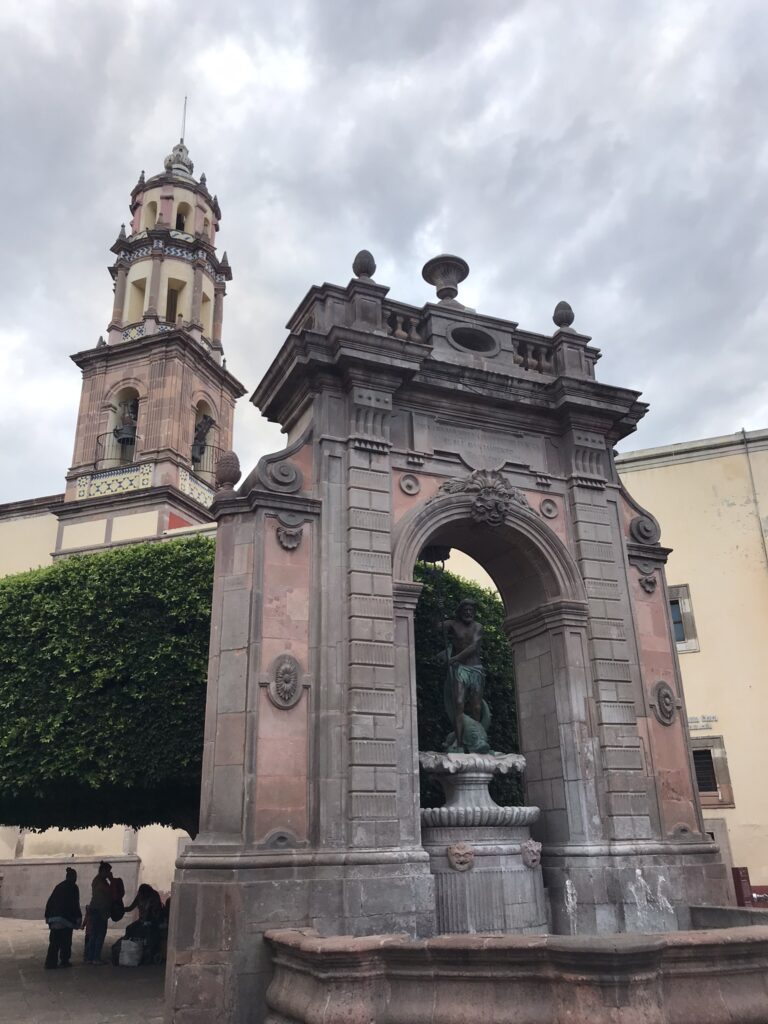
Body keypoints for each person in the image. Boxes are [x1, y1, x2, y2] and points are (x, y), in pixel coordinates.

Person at [439, 599, 492, 753]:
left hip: (475, 669)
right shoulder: (452, 625)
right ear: (460, 612)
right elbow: (436, 627)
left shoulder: (478, 627)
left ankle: (476, 741)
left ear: (474, 612)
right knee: (458, 703)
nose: (468, 613)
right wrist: (438, 612)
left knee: (476, 707)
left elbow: (474, 647)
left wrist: (454, 658)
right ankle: (460, 744)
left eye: (471, 610)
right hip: (460, 670)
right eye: (465, 610)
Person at [44, 867, 82, 969]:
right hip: (65, 919)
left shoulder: (59, 886)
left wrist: (47, 915)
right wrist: (78, 918)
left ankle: (50, 962)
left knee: (54, 942)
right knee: (66, 941)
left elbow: (50, 901)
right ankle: (64, 961)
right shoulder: (73, 887)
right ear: (74, 877)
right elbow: (74, 903)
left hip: (53, 917)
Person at [85, 861, 112, 965]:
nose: (109, 873)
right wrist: (112, 880)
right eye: (108, 871)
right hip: (99, 910)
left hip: (97, 909)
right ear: (104, 871)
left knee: (94, 934)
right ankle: (95, 957)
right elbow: (108, 892)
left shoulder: (98, 880)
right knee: (99, 934)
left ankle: (90, 957)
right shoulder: (100, 882)